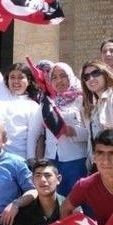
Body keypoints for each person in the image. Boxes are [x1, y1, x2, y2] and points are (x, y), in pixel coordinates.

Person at [0, 23, 43, 160]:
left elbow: (33, 137)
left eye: (21, 77)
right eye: (12, 77)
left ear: (29, 81)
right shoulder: (0, 90)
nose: (16, 81)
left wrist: (31, 162)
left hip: (19, 160)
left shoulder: (34, 107)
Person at [42, 63, 88, 196]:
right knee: (55, 199)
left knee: (76, 198)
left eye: (63, 76)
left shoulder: (82, 100)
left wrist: (71, 131)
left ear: (71, 77)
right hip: (51, 159)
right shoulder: (48, 102)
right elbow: (37, 133)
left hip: (75, 160)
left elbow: (91, 133)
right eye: (54, 77)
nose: (59, 81)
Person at [80, 60, 113, 154]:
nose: (91, 78)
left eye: (95, 73)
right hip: (97, 158)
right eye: (86, 77)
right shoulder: (92, 105)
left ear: (105, 74)